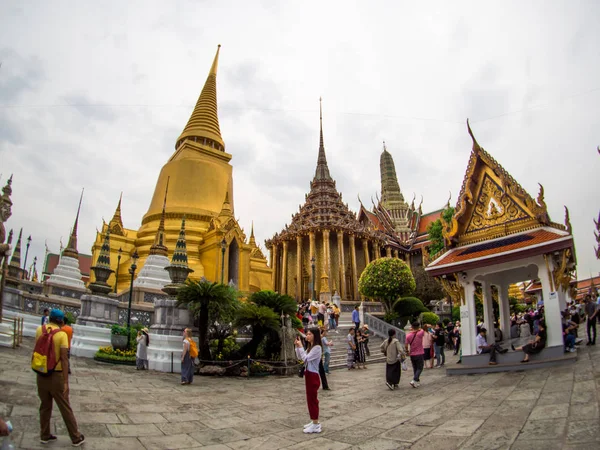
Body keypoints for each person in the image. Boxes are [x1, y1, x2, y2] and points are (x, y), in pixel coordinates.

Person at [34, 309, 85, 447]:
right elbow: (64, 359)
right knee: (65, 407)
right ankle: (75, 437)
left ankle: (44, 435)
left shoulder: (40, 329)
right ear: (61, 321)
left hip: (41, 373)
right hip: (56, 375)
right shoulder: (61, 334)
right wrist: (66, 382)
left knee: (44, 406)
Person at [295, 327, 323, 434]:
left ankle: (316, 424)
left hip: (313, 375)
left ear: (315, 336)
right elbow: (301, 357)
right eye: (307, 334)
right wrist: (298, 346)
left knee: (312, 400)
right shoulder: (310, 347)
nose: (308, 335)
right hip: (308, 374)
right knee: (309, 399)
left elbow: (306, 358)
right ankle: (314, 420)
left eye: (310, 334)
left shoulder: (317, 348)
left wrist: (301, 347)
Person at [405, 321, 425, 388]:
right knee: (420, 368)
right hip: (419, 353)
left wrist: (407, 351)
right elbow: (423, 329)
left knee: (415, 368)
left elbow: (406, 345)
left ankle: (417, 381)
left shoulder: (408, 335)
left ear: (412, 327)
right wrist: (418, 329)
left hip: (412, 353)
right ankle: (414, 380)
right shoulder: (420, 333)